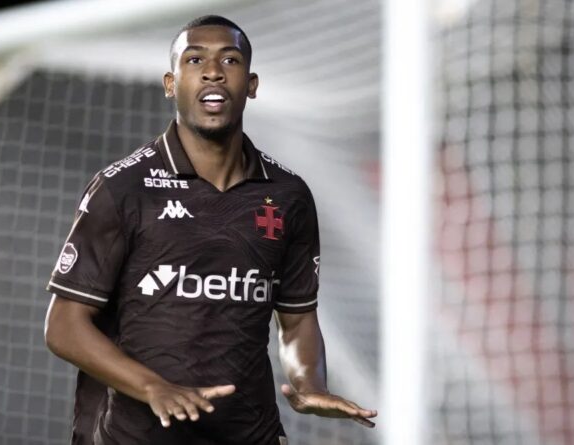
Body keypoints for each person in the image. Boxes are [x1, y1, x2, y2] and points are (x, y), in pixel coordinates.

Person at [43, 14, 377, 445]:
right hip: (136, 435)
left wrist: (309, 382)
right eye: (195, 59)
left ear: (251, 85)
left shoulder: (288, 195)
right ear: (170, 83)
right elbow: (64, 327)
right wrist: (153, 387)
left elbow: (297, 321)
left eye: (230, 60)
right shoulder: (123, 187)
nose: (213, 71)